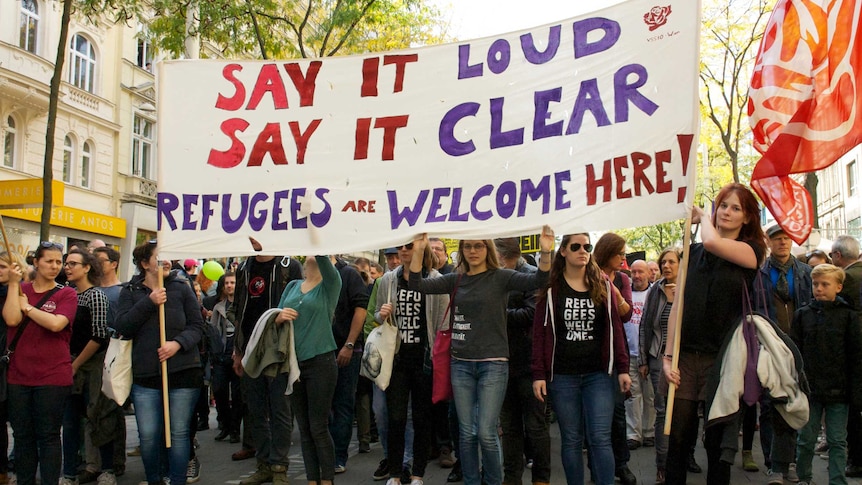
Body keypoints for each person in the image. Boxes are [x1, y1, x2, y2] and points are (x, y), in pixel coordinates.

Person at [407, 226, 555, 485]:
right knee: (466, 433)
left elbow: (540, 281)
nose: (473, 251)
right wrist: (419, 251)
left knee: (487, 432)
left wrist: (545, 250)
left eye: (478, 245)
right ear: (462, 250)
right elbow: (417, 285)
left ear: (488, 248)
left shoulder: (502, 277)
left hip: (493, 365)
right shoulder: (456, 279)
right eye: (468, 246)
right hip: (461, 365)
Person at [662, 183, 767, 485]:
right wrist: (669, 357)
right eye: (723, 205)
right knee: (678, 441)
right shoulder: (692, 253)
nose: (727, 212)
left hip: (723, 362)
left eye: (735, 208)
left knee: (717, 445)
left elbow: (713, 243)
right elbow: (677, 307)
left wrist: (702, 218)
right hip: (686, 359)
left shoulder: (752, 252)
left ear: (747, 218)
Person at [531, 233, 631, 485]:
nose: (582, 251)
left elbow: (615, 329)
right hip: (563, 376)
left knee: (599, 437)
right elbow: (540, 333)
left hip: (599, 375)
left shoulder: (604, 285)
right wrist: (539, 374)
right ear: (563, 251)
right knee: (572, 439)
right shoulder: (552, 289)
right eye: (575, 246)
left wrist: (623, 368)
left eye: (587, 246)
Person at [114, 240, 205, 485]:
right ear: (145, 264)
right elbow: (122, 326)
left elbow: (198, 326)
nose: (166, 261)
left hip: (183, 372)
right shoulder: (130, 292)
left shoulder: (182, 288)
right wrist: (149, 302)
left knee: (178, 433)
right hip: (146, 376)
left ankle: (177, 480)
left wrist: (177, 343)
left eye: (168, 257)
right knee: (149, 436)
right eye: (159, 257)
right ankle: (154, 479)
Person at [367, 242, 448, 485]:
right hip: (397, 359)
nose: (403, 250)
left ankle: (418, 473)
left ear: (421, 248)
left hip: (424, 359)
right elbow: (377, 318)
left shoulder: (434, 279)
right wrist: (381, 315)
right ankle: (394, 472)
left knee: (422, 418)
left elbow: (444, 322)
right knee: (396, 418)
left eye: (409, 246)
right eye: (400, 246)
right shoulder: (389, 280)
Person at [2, 242, 77, 485]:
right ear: (36, 262)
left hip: (52, 377)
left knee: (48, 436)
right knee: (22, 437)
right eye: (49, 261)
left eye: (59, 262)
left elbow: (57, 324)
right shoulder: (20, 289)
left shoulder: (67, 293)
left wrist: (29, 309)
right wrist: (14, 285)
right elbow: (12, 319)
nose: (55, 266)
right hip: (19, 376)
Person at [229, 240, 302, 479]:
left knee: (280, 410)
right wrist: (238, 351)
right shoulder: (243, 268)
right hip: (250, 349)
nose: (252, 238)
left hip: (277, 350)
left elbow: (298, 305)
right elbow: (239, 310)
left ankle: (279, 467)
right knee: (255, 411)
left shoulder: (288, 266)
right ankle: (264, 465)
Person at [791, 263, 862, 485]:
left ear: (838, 287)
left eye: (825, 284)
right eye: (815, 284)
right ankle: (804, 477)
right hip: (810, 389)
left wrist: (855, 392)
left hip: (839, 391)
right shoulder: (803, 315)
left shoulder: (848, 317)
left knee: (838, 440)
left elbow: (856, 355)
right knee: (806, 439)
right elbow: (795, 351)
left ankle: (837, 481)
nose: (819, 288)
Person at [753, 224, 813, 482]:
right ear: (769, 242)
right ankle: (772, 462)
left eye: (787, 238)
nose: (783, 243)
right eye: (777, 239)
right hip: (770, 345)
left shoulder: (805, 273)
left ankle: (790, 461)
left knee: (795, 401)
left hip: (799, 346)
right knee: (769, 406)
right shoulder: (759, 274)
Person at [279, 255, 342, 485]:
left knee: (318, 427)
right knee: (304, 429)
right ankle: (311, 480)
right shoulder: (293, 286)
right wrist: (280, 316)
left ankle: (327, 479)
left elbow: (323, 256)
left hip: (321, 363)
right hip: (294, 363)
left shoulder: (330, 284)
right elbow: (275, 315)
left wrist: (318, 240)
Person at [494, 238, 551, 485]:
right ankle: (511, 479)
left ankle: (541, 479)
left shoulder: (530, 275)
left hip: (530, 364)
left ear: (506, 256)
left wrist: (495, 313)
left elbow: (532, 314)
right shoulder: (494, 277)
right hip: (502, 361)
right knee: (510, 428)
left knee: (536, 427)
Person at [60, 249, 117, 485]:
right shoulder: (69, 294)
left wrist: (76, 363)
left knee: (99, 417)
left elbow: (99, 336)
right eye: (66, 263)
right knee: (71, 421)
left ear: (87, 268)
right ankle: (69, 472)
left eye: (73, 263)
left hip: (91, 365)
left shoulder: (95, 296)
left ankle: (108, 468)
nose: (67, 267)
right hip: (71, 363)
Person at [592, 232, 636, 485]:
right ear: (607, 252)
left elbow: (627, 314)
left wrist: (612, 289)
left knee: (618, 414)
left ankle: (621, 464)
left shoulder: (622, 279)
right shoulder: (586, 275)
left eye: (624, 253)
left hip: (614, 354)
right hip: (591, 353)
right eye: (619, 253)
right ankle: (596, 465)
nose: (623, 257)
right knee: (594, 417)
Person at [638, 248, 682, 485]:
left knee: (684, 412)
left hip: (684, 360)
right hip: (658, 358)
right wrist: (643, 360)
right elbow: (645, 324)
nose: (666, 266)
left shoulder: (688, 289)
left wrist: (681, 300)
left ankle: (686, 458)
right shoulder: (654, 291)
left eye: (671, 262)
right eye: (663, 262)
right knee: (662, 410)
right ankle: (662, 466)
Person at [329, 256, 369, 474]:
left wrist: (350, 344)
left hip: (344, 348)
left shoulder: (348, 274)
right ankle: (325, 454)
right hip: (319, 352)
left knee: (343, 403)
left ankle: (338, 456)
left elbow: (360, 309)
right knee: (322, 407)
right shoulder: (312, 275)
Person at [827, 234, 862, 478]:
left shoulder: (846, 279)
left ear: (838, 256)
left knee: (854, 408)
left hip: (853, 351)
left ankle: (856, 458)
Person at [0, 252, 29, 485]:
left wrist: (12, 284)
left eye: (3, 266)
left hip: (13, 365)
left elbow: (12, 320)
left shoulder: (21, 292)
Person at [624, 260, 655, 452]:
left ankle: (649, 431)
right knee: (632, 395)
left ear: (648, 274)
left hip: (650, 354)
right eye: (633, 272)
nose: (636, 275)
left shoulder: (654, 294)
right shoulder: (626, 294)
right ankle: (633, 434)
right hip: (629, 353)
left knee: (650, 395)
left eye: (640, 272)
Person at [209, 272, 241, 443]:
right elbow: (213, 331)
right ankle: (225, 424)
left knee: (237, 394)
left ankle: (235, 428)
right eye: (227, 283)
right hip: (222, 352)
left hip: (237, 350)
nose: (230, 285)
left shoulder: (243, 305)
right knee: (220, 390)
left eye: (233, 282)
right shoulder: (218, 307)